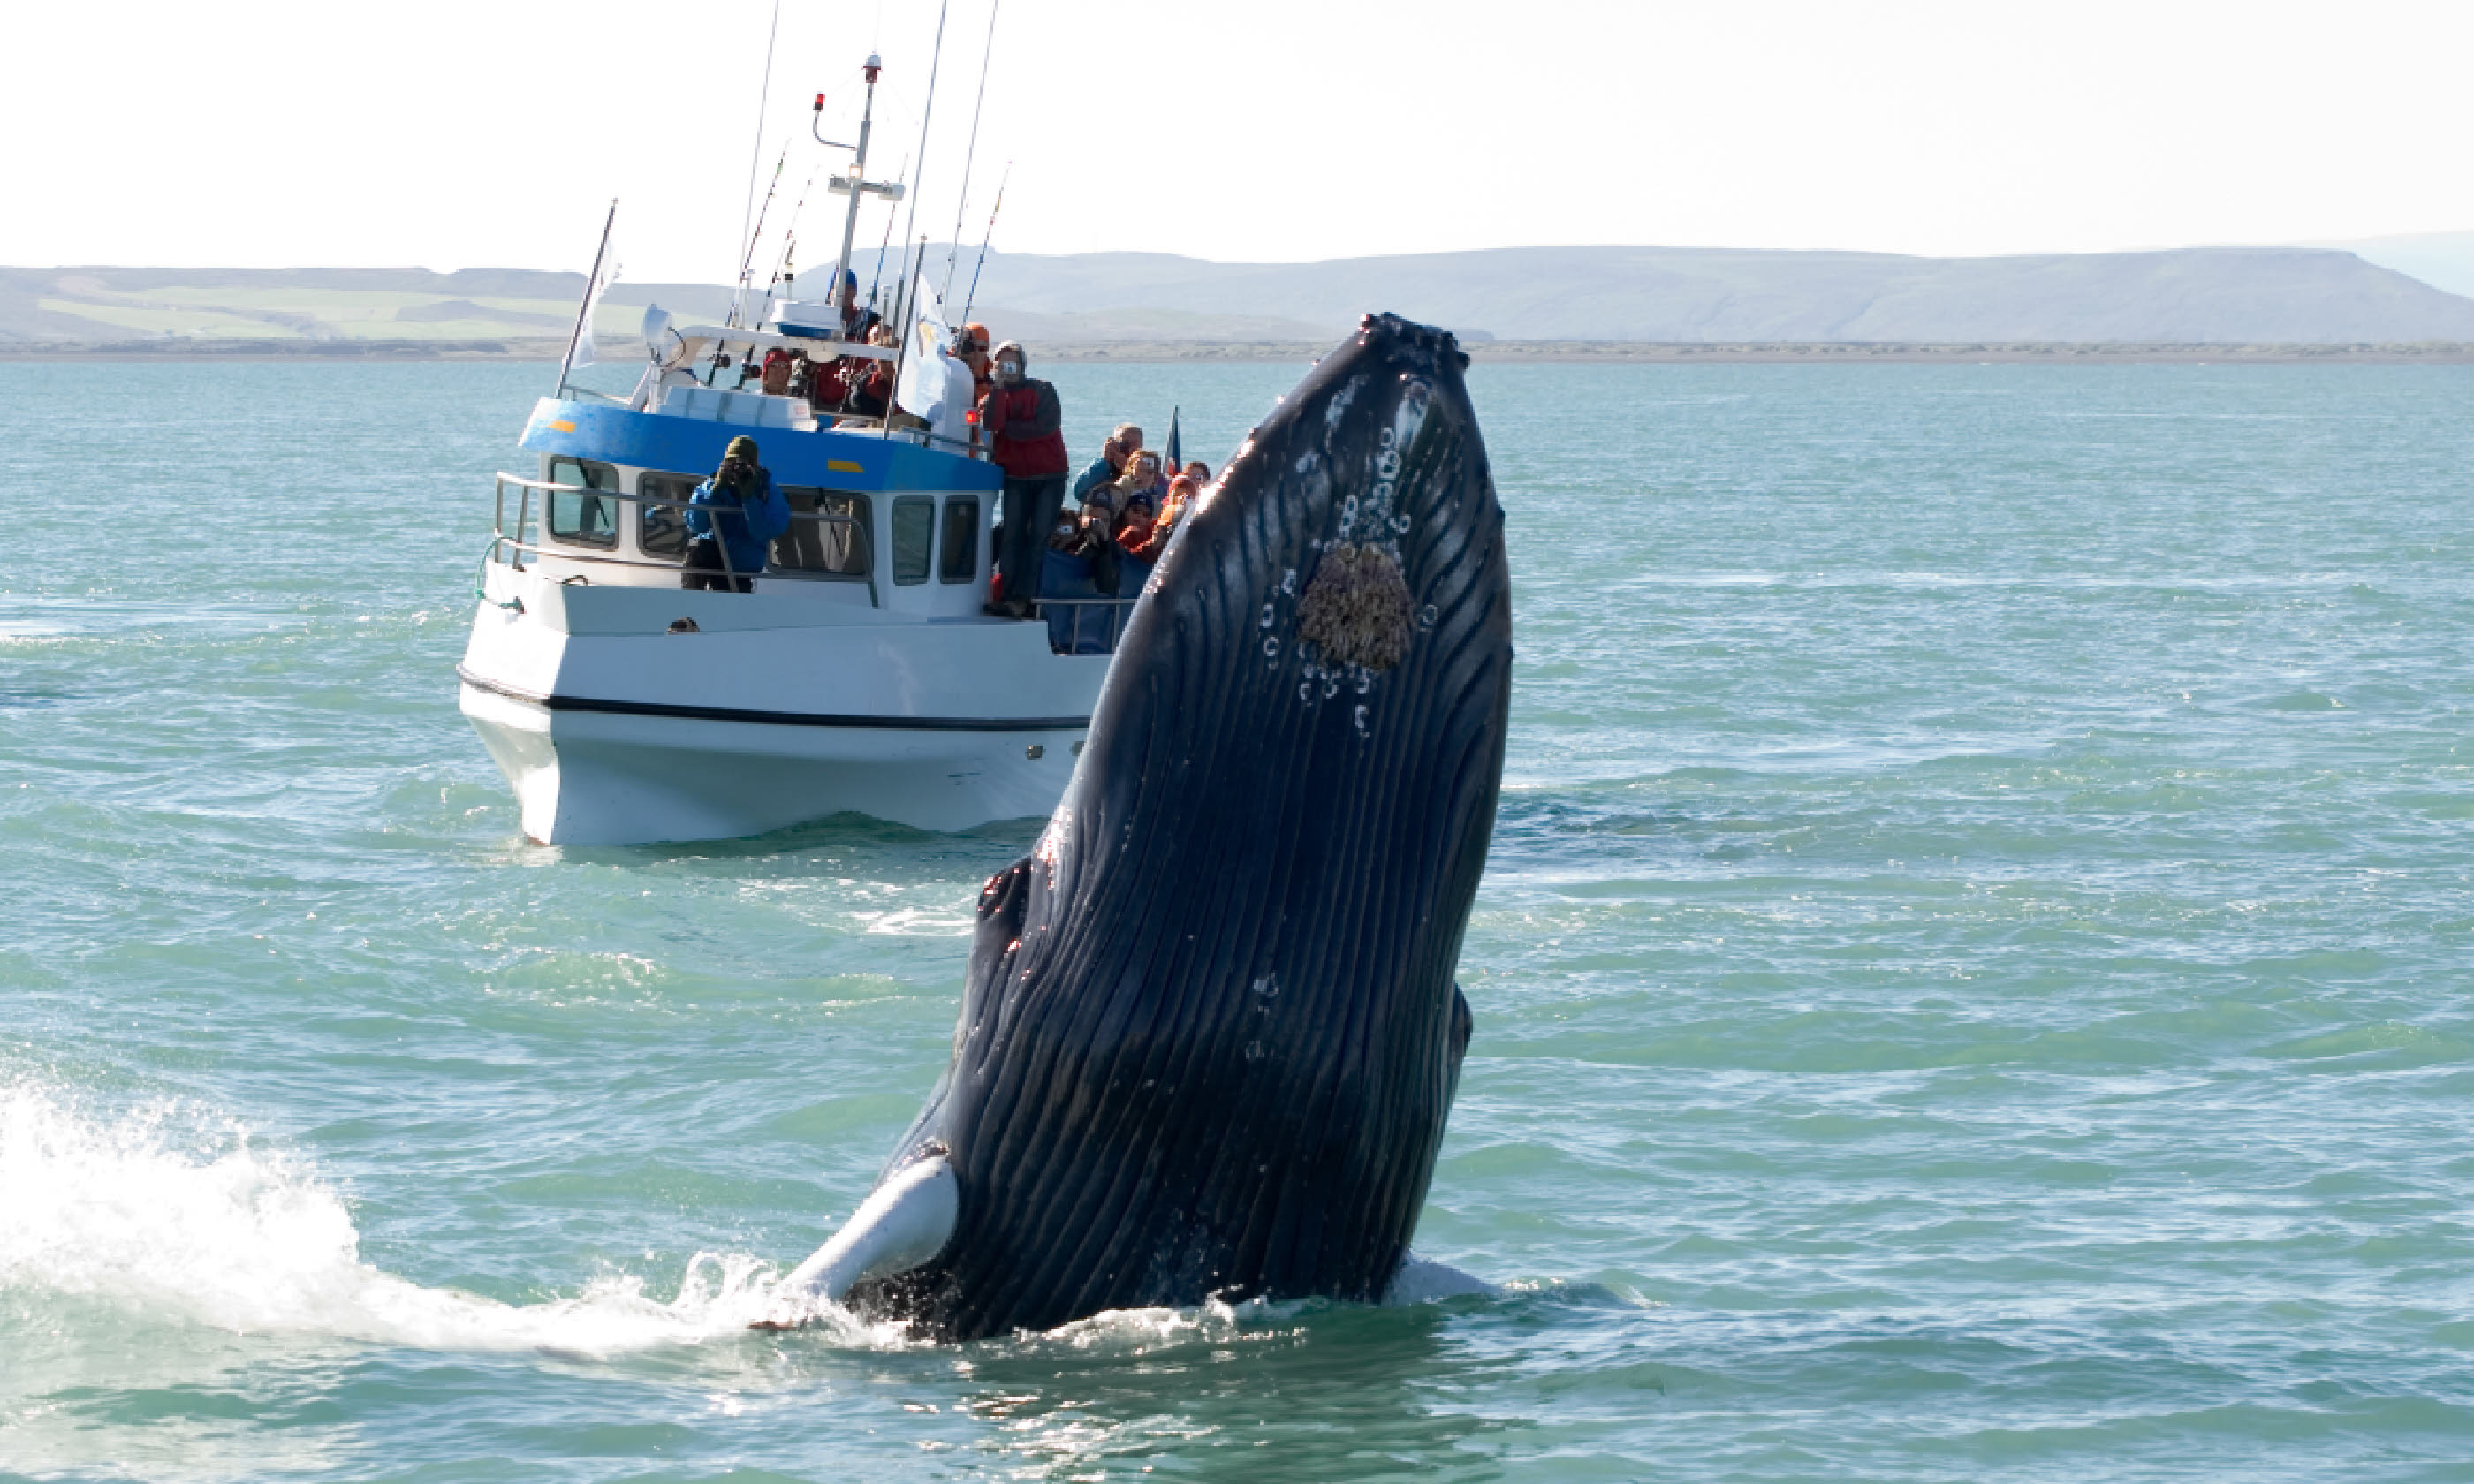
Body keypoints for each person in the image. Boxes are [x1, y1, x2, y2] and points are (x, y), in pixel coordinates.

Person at [978, 340, 1069, 618]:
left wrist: (1009, 430)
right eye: (1001, 364)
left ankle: (1025, 597)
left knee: (1038, 536)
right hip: (1016, 476)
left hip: (1050, 475)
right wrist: (998, 390)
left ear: (1022, 365)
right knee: (1012, 536)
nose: (1007, 368)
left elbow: (1044, 427)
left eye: (1012, 363)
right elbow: (991, 425)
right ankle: (1005, 594)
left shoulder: (1042, 389)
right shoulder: (994, 397)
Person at [682, 436, 789, 594]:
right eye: (732, 462)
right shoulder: (711, 485)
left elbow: (763, 532)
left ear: (754, 465)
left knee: (733, 607)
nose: (738, 468)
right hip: (712, 557)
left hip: (742, 567)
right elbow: (696, 525)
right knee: (698, 549)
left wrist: (749, 498)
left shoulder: (767, 490)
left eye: (744, 464)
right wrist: (714, 492)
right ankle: (688, 601)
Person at [1122, 472, 1197, 562]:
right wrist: (1151, 546)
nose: (1181, 504)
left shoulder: (1194, 539)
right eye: (1177, 497)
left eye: (1188, 499)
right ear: (1169, 499)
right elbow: (1120, 560)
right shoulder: (1136, 532)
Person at [1071, 424, 1144, 505]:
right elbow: (1078, 492)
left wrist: (1128, 470)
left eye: (1134, 446)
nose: (1129, 449)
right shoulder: (1102, 468)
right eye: (1124, 445)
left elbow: (1152, 494)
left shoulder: (1150, 470)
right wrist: (1105, 460)